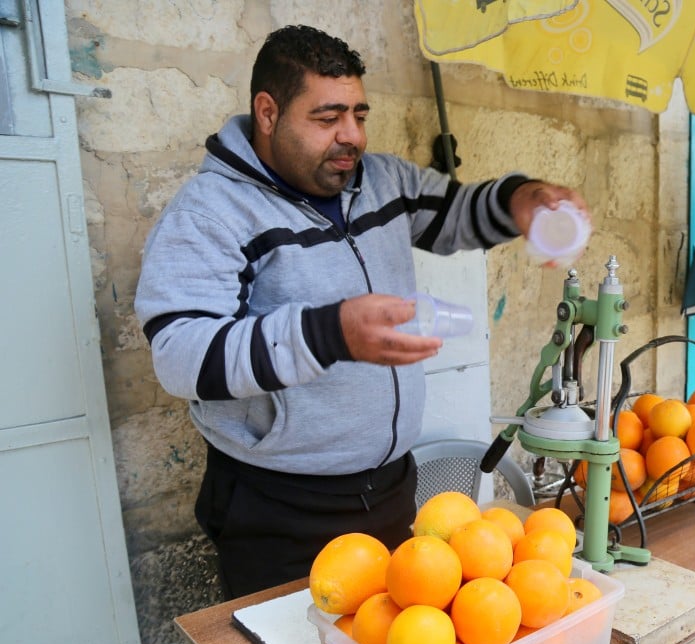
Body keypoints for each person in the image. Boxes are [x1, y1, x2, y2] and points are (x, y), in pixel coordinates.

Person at [134, 24, 588, 598]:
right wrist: (328, 333)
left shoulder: (381, 181)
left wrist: (523, 198)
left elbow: (458, 214)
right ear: (268, 113)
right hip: (279, 509)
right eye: (327, 118)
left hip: (392, 490)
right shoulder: (211, 211)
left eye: (359, 114)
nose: (351, 136)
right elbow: (180, 355)